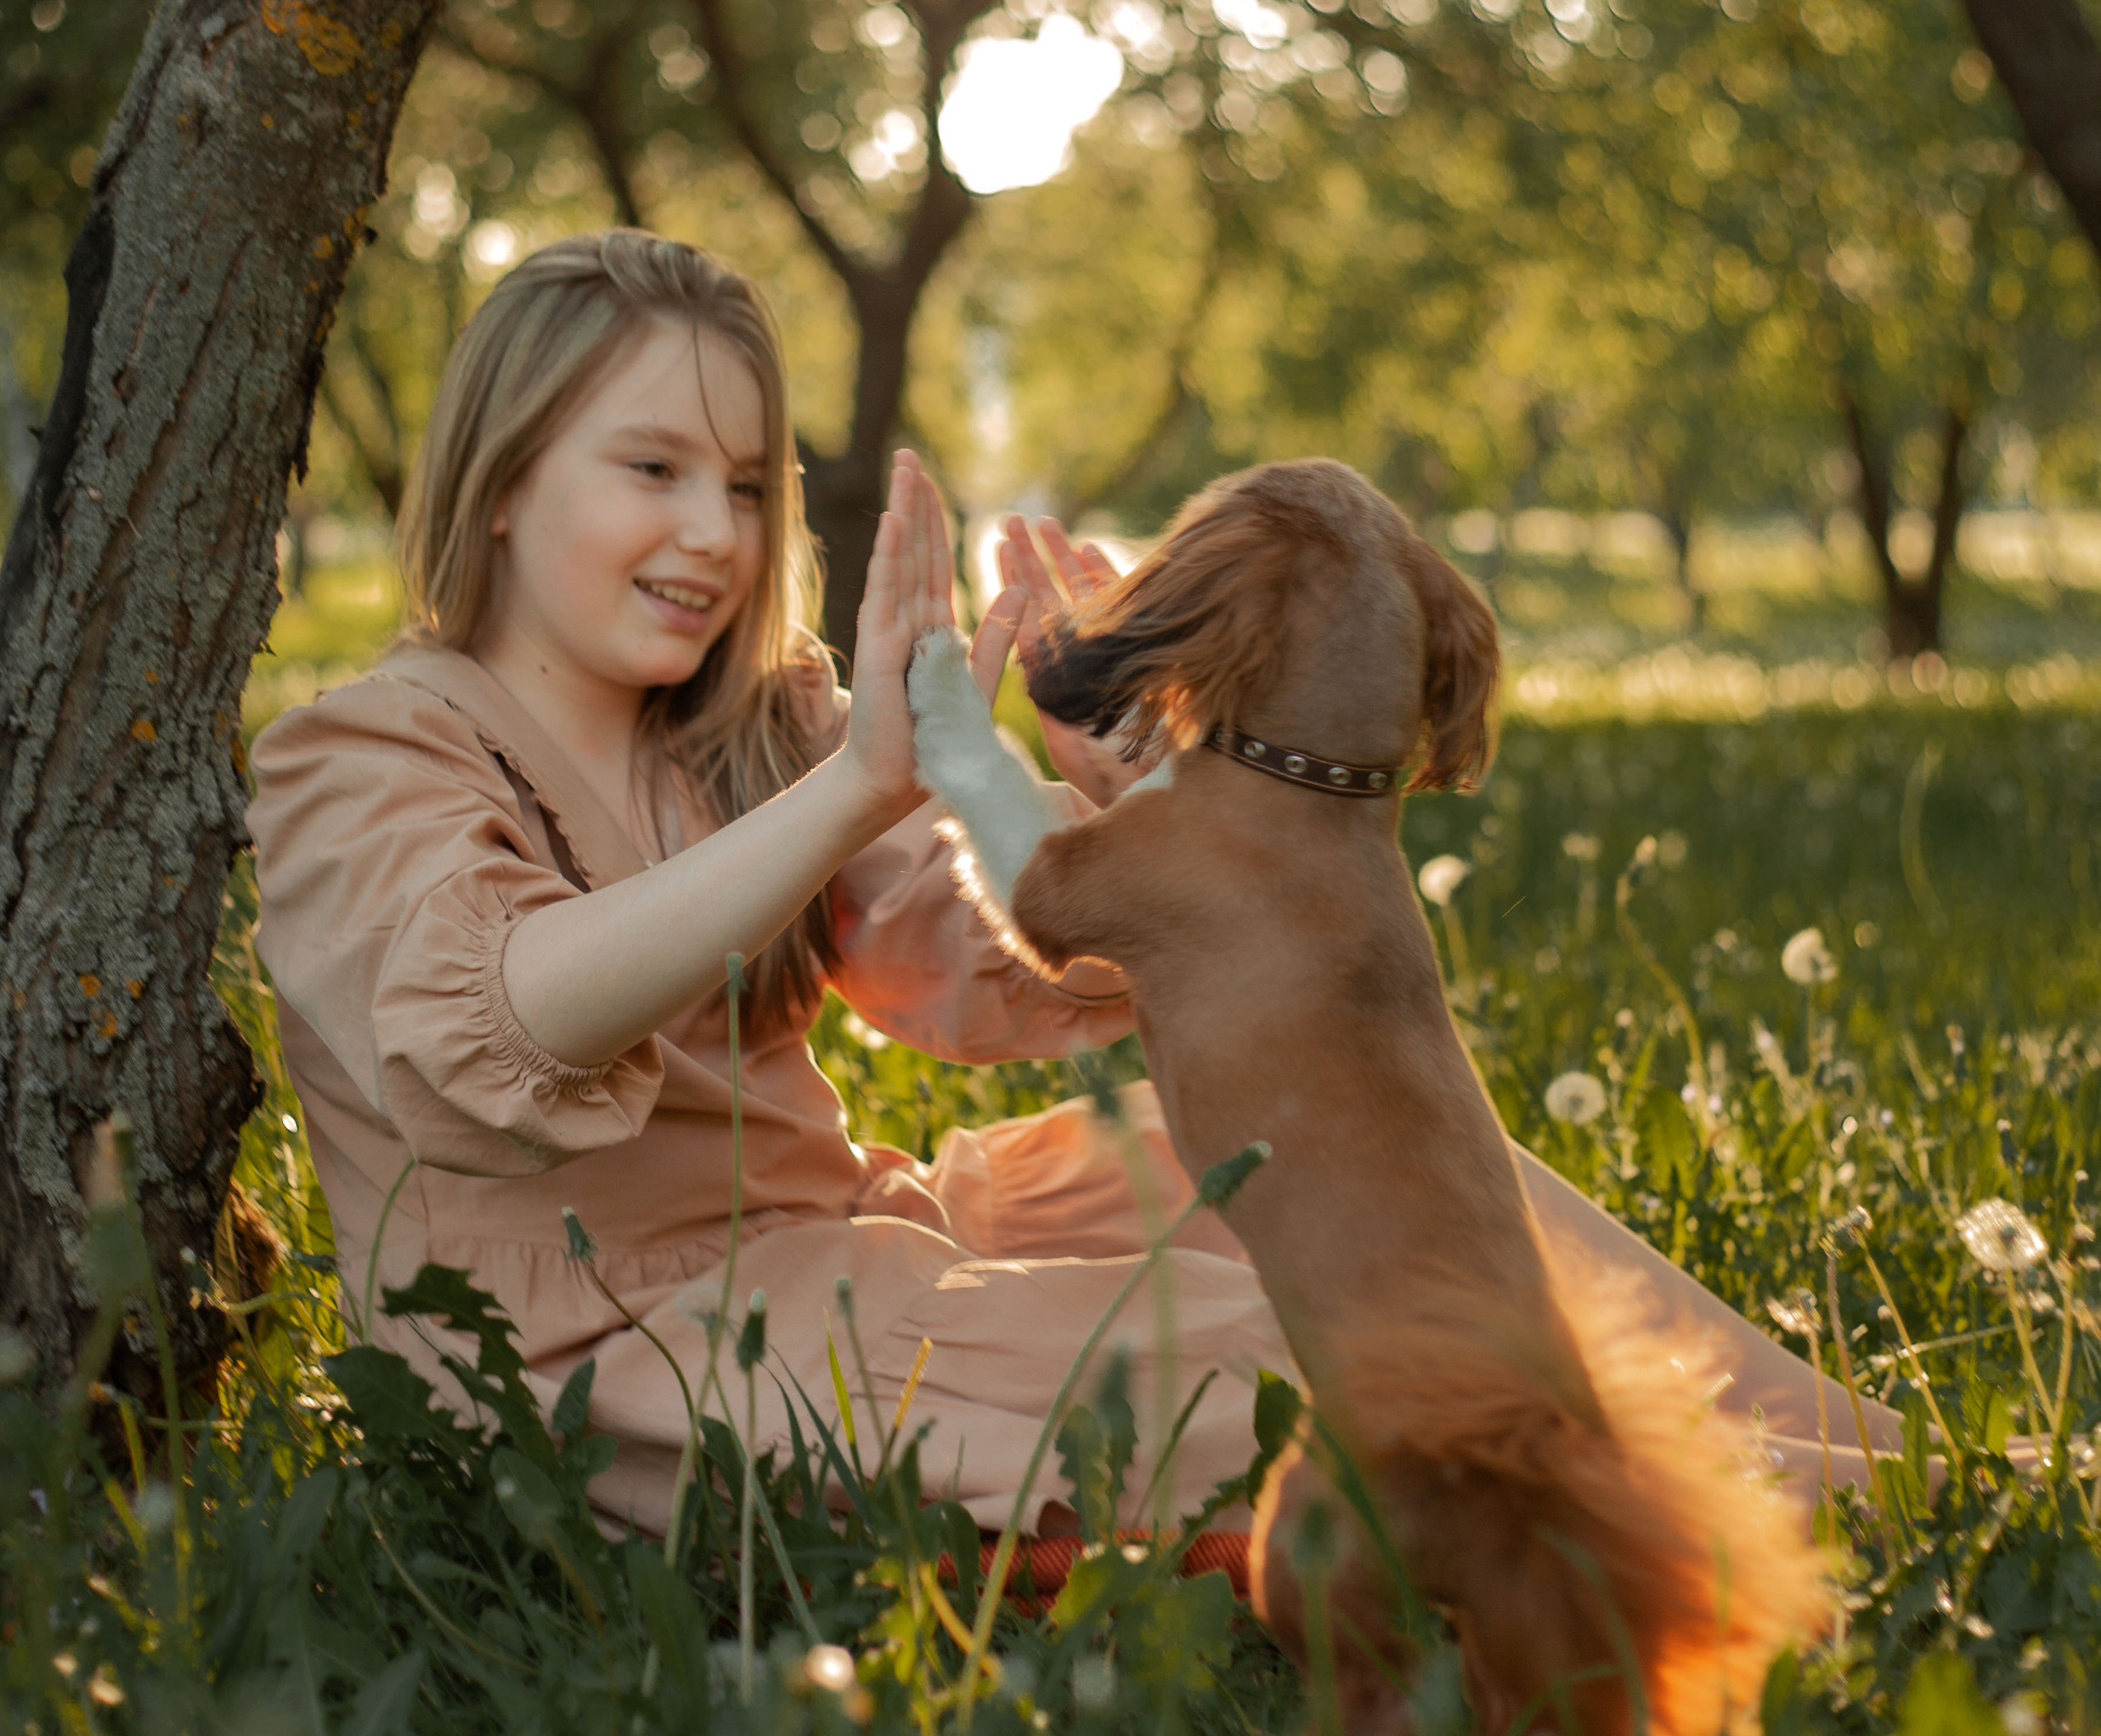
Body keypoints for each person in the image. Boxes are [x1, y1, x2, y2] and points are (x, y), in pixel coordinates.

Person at [249, 229, 1888, 1541]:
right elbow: (506, 1021)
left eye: (746, 485)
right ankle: (1746, 1521)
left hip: (852, 1235)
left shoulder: (753, 727)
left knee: (1344, 1174)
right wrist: (856, 786)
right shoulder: (365, 757)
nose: (717, 536)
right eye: (653, 469)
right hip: (612, 1360)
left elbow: (978, 976)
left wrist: (1130, 807)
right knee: (1280, 1350)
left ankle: (1895, 1467)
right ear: (505, 479)